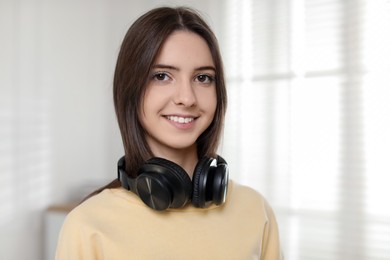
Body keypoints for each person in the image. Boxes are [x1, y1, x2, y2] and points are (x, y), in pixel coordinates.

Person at [55, 6, 282, 260]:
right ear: (130, 89)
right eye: (162, 76)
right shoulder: (88, 225)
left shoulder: (254, 211)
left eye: (203, 78)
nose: (187, 98)